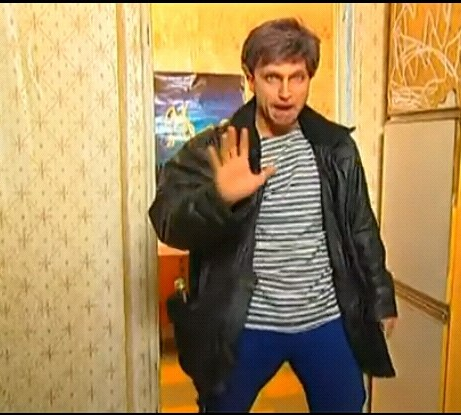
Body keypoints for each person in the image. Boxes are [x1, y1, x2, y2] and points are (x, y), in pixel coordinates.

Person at [149, 17, 397, 413]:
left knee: (347, 404)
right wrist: (219, 198)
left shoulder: (335, 147)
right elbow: (166, 219)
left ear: (308, 78)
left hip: (323, 319)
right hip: (245, 323)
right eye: (272, 77)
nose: (285, 92)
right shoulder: (218, 148)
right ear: (251, 78)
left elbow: (361, 228)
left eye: (297, 77)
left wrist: (381, 299)